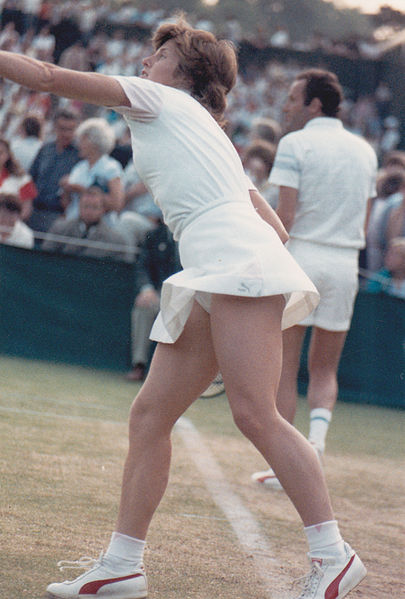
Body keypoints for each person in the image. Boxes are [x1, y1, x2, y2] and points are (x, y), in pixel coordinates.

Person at [0, 19, 367, 599]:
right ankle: (123, 566)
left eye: (162, 54)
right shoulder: (210, 136)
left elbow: (47, 76)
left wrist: (245, 285)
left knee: (256, 414)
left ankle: (334, 556)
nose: (147, 63)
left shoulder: (160, 100)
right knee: (150, 415)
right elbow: (273, 225)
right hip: (217, 266)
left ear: (187, 74)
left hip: (229, 263)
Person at [252, 69, 377, 489]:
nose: (286, 106)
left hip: (302, 258)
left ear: (314, 105)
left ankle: (286, 466)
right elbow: (363, 219)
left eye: (292, 98)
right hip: (344, 265)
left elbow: (283, 219)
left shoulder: (293, 144)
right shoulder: (365, 151)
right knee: (325, 369)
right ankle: (315, 446)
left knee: (286, 369)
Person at [126, 216, 181, 382]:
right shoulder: (154, 235)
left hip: (188, 295)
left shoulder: (199, 237)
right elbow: (143, 266)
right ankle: (139, 365)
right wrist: (147, 289)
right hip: (159, 293)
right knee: (144, 305)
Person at [59, 117, 124, 226]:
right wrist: (66, 190)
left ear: (94, 141)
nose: (79, 144)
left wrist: (82, 190)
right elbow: (66, 204)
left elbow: (116, 204)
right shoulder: (79, 167)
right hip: (74, 224)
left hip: (100, 227)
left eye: (83, 140)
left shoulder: (111, 168)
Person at [41, 183, 129, 261]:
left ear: (103, 210)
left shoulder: (115, 240)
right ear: (79, 207)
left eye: (94, 207)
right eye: (86, 206)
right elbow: (45, 256)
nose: (89, 211)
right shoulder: (60, 229)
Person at [28, 108, 80, 234]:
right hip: (34, 211)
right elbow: (30, 177)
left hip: (58, 215)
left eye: (71, 129)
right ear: (55, 127)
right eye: (62, 129)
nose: (66, 134)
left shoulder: (80, 154)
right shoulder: (46, 149)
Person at [0, 135, 37, 222]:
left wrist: (11, 224)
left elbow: (26, 209)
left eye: (0, 153)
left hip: (9, 229)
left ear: (8, 155)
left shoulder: (22, 179)